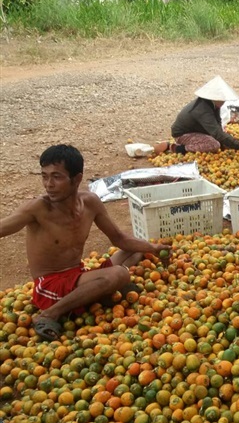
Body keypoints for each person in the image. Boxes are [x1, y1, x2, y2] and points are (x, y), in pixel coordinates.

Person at [0, 144, 171, 342]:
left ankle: (96, 293)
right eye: (44, 176)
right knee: (119, 274)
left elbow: (119, 238)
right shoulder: (38, 209)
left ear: (77, 179)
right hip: (50, 286)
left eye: (56, 177)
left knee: (136, 250)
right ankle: (50, 314)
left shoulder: (90, 202)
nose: (48, 184)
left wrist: (154, 248)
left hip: (78, 275)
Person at [154, 76, 239, 158]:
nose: (224, 101)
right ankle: (175, 148)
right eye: (222, 99)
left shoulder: (213, 104)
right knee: (214, 145)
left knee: (224, 137)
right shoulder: (202, 109)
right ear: (214, 97)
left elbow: (218, 124)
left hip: (199, 130)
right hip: (182, 134)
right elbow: (216, 133)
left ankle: (191, 144)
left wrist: (226, 139)